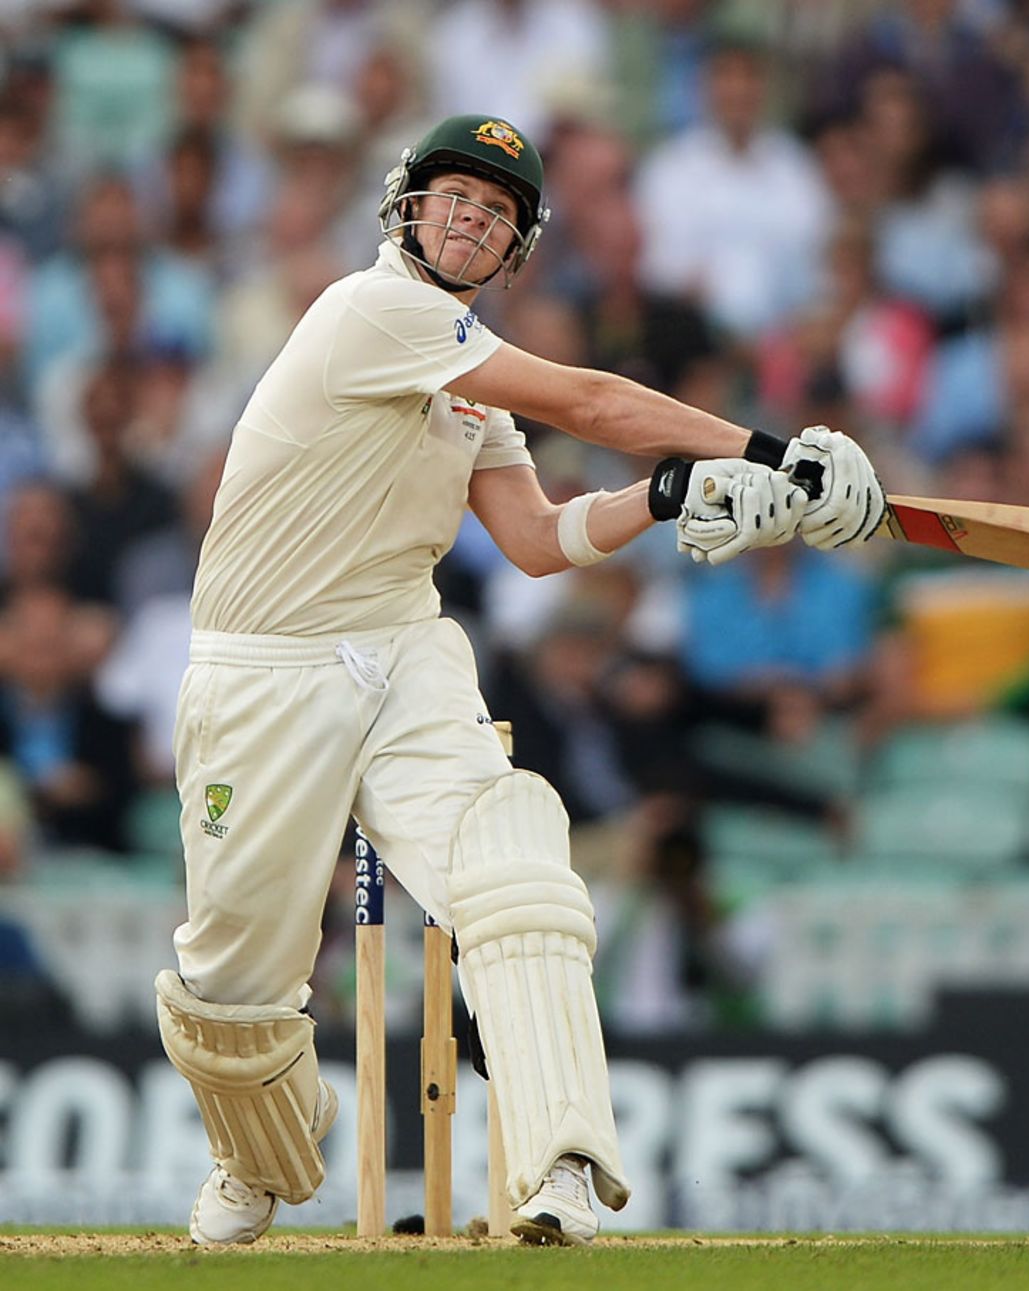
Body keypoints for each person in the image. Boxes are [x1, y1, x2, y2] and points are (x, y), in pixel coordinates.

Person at [152, 112, 885, 1248]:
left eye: (496, 214)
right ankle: (255, 1156)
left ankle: (562, 1170)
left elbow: (537, 539)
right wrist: (760, 449)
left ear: (511, 250)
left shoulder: (464, 385)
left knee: (515, 861)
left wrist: (657, 498)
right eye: (457, 197)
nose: (472, 219)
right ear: (408, 206)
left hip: (400, 649)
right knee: (230, 982)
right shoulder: (371, 310)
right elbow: (588, 404)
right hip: (263, 670)